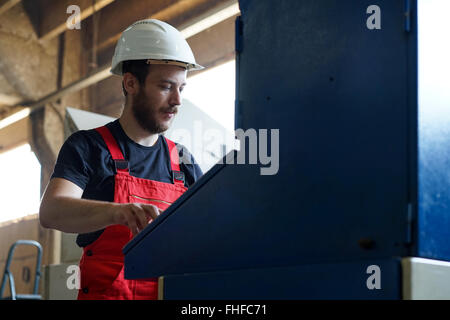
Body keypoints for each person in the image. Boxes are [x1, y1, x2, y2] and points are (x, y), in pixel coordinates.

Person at [39, 19, 204, 300]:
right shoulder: (89, 147)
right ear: (130, 83)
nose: (177, 100)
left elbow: (207, 233)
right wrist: (117, 213)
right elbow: (51, 212)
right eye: (165, 87)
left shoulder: (184, 160)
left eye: (181, 88)